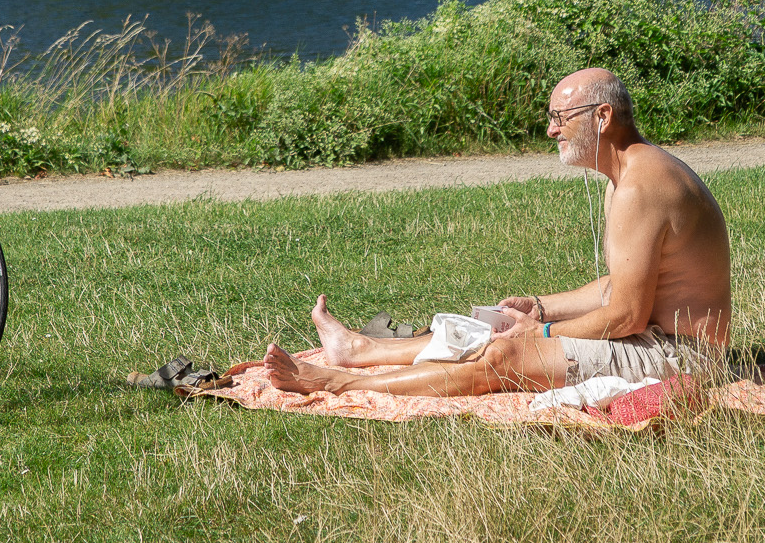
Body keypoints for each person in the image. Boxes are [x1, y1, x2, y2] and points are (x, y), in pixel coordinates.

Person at [262, 67, 732, 398]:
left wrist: (542, 331)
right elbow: (622, 285)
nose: (551, 131)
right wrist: (540, 307)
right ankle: (359, 349)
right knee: (489, 328)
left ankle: (331, 382)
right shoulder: (627, 176)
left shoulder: (641, 186)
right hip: (651, 337)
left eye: (560, 118)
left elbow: (627, 315)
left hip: (680, 357)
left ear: (602, 117)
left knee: (502, 355)